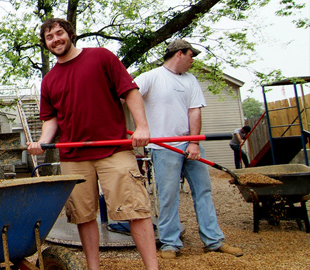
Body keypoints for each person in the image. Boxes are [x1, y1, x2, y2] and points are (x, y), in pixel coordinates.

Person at [28, 18, 158, 270]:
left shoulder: (101, 57)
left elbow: (129, 90)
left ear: (70, 34)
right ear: (45, 44)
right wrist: (43, 142)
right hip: (74, 156)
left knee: (135, 209)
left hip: (114, 150)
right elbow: (51, 119)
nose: (56, 39)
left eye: (59, 33)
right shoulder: (50, 79)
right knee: (83, 216)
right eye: (49, 37)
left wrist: (142, 127)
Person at [135, 39, 244, 259]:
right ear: (179, 54)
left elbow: (194, 111)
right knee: (168, 195)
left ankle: (213, 240)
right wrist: (141, 127)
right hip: (164, 146)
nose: (193, 60)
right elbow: (129, 96)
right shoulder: (150, 77)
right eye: (191, 55)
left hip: (190, 144)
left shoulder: (190, 80)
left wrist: (194, 142)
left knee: (203, 192)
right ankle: (169, 243)